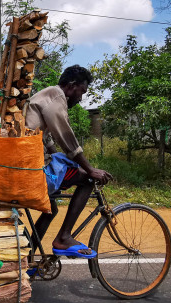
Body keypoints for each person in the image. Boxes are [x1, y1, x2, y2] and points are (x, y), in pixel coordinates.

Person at [25, 65, 113, 259]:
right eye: (82, 91)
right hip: (32, 170)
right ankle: (64, 237)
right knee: (88, 180)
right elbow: (66, 138)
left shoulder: (46, 96)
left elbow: (46, 139)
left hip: (30, 165)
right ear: (72, 86)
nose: (81, 98)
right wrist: (90, 170)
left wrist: (61, 168)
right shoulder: (56, 97)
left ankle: (28, 258)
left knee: (51, 208)